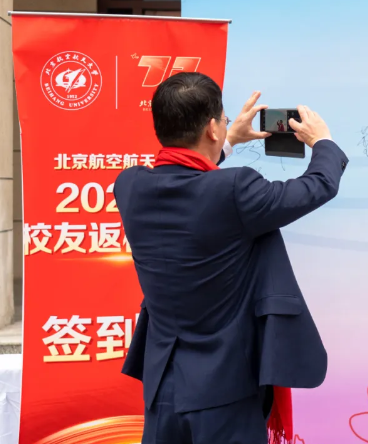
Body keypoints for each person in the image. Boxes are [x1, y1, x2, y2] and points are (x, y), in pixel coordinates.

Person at [114, 72, 348, 444]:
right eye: (222, 121)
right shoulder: (236, 190)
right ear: (211, 128)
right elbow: (317, 185)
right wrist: (323, 141)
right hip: (224, 390)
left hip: (162, 386)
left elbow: (187, 178)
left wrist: (227, 142)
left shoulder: (130, 186)